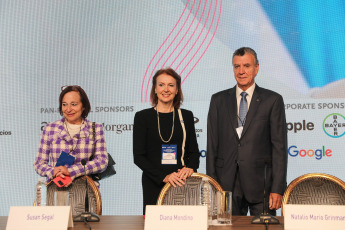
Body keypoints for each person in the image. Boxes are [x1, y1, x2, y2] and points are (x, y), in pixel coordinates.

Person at [206, 47, 287, 216]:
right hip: (226, 185)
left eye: (247, 66)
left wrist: (277, 188)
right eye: (237, 66)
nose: (241, 71)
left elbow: (279, 148)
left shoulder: (272, 100)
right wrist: (213, 186)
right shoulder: (218, 100)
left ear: (256, 68)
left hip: (262, 187)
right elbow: (212, 146)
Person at [133, 68, 200, 214]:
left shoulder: (186, 116)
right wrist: (164, 176)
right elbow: (138, 157)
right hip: (154, 182)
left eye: (171, 85)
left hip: (181, 182)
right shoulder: (142, 117)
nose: (166, 89)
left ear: (177, 90)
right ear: (155, 89)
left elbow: (194, 152)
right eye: (161, 85)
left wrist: (191, 168)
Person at [34, 85, 108, 186]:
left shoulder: (95, 128)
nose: (68, 109)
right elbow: (39, 164)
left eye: (74, 104)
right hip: (56, 188)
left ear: (83, 106)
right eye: (64, 104)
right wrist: (54, 171)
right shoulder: (50, 128)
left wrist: (71, 171)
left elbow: (102, 161)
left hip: (86, 190)